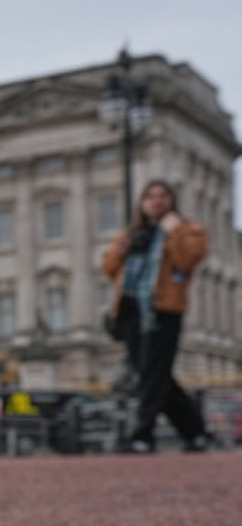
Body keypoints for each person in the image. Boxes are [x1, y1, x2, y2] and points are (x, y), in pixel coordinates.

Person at [101, 180, 211, 453]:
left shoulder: (189, 230)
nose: (156, 201)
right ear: (142, 203)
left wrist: (170, 233)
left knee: (152, 374)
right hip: (130, 311)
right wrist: (123, 248)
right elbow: (109, 268)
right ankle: (195, 431)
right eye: (149, 196)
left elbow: (186, 262)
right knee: (152, 374)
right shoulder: (133, 233)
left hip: (163, 310)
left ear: (172, 201)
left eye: (162, 196)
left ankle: (142, 435)